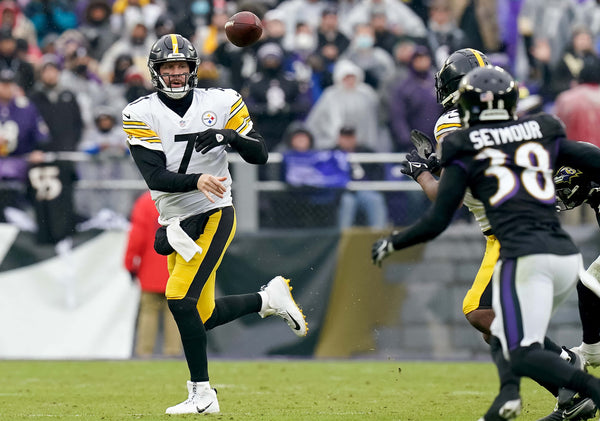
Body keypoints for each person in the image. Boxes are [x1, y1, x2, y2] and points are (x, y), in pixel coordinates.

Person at [372, 65, 600, 421]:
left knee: (483, 313)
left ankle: (568, 373)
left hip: (511, 235)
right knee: (497, 327)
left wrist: (422, 171)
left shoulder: (452, 126)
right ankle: (568, 394)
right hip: (534, 233)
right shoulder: (529, 125)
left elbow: (445, 198)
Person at [122, 34, 308, 415]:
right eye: (168, 68)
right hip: (176, 220)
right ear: (156, 72)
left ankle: (202, 394)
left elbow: (260, 154)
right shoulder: (139, 112)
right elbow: (154, 176)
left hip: (214, 213)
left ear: (193, 69)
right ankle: (267, 299)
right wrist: (196, 180)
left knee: (178, 299)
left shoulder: (222, 101)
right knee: (200, 315)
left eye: (181, 67)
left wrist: (229, 135)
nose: (175, 74)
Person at [124, 190, 182, 358]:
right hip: (177, 267)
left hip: (150, 269)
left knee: (148, 311)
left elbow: (137, 237)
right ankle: (173, 353)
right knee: (175, 313)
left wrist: (129, 264)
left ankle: (144, 353)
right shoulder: (181, 199)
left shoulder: (145, 202)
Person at [334, 125, 387, 229]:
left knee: (375, 199)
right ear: (339, 139)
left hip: (365, 190)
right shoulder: (332, 153)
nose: (348, 140)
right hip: (344, 192)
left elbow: (378, 170)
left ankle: (379, 236)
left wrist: (373, 186)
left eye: (350, 137)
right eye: (345, 137)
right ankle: (343, 238)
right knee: (347, 202)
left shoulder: (366, 151)